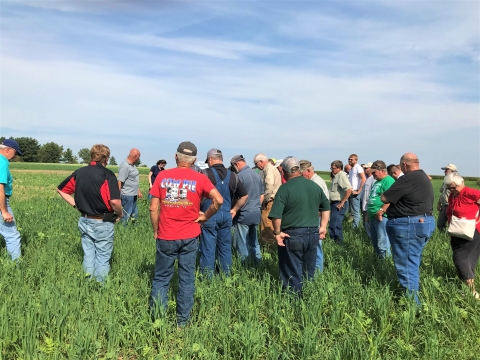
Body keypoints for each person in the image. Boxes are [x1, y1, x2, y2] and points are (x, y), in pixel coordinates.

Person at [149, 141, 223, 327]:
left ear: (176, 157)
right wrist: (205, 216)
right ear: (195, 160)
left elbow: (153, 207)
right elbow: (219, 200)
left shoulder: (163, 176)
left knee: (161, 278)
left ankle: (158, 318)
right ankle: (182, 322)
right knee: (187, 278)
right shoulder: (199, 178)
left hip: (166, 234)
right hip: (190, 235)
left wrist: (155, 230)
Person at [57, 144, 123, 282]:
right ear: (106, 158)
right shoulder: (108, 174)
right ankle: (100, 287)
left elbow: (61, 189)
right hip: (103, 221)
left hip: (84, 220)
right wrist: (120, 214)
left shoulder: (79, 172)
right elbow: (115, 202)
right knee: (103, 257)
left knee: (88, 255)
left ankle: (87, 284)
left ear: (92, 156)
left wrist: (76, 205)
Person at [269, 157, 330, 295]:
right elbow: (326, 207)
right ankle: (310, 296)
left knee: (291, 269)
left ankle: (293, 301)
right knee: (309, 269)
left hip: (292, 234)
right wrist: (323, 226)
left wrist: (277, 233)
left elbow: (276, 215)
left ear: (284, 172)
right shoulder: (314, 186)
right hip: (313, 233)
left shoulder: (285, 189)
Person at [381, 153, 435, 304]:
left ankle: (413, 306)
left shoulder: (407, 178)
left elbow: (385, 198)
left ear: (404, 165)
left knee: (406, 263)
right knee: (413, 260)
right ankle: (414, 293)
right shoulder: (423, 176)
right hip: (425, 221)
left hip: (409, 224)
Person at [200, 149, 248, 277]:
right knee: (225, 248)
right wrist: (234, 210)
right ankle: (226, 277)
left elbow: (197, 194)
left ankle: (207, 278)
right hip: (226, 215)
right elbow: (244, 196)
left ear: (210, 159)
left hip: (209, 215)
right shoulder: (233, 176)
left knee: (208, 249)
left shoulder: (205, 173)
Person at [444, 173, 480, 300]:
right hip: (457, 232)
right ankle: (468, 287)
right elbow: (450, 211)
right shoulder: (453, 196)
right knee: (468, 260)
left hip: (472, 231)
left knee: (460, 259)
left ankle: (472, 292)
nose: (452, 190)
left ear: (462, 183)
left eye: (454, 187)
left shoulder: (470, 193)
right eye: (449, 188)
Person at [230, 155, 264, 265]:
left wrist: (234, 209)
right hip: (256, 212)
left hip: (243, 214)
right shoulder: (257, 174)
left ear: (236, 164)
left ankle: (245, 266)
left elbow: (237, 197)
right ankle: (258, 263)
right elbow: (262, 195)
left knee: (242, 242)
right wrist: (256, 206)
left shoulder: (239, 176)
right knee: (254, 241)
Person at [300, 160, 329, 272]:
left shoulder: (316, 182)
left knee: (315, 246)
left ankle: (317, 272)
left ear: (308, 170)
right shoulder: (313, 181)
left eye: (302, 174)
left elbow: (322, 205)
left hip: (316, 218)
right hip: (314, 217)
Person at [0, 140, 23, 261]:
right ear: (7, 149)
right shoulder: (2, 161)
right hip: (1, 202)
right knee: (12, 235)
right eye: (15, 153)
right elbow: (0, 188)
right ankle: (17, 266)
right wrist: (4, 211)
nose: (14, 157)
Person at [367, 161, 394, 259]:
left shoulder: (388, 180)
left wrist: (381, 211)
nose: (373, 174)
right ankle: (378, 262)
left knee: (382, 243)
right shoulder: (377, 181)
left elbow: (391, 198)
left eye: (374, 172)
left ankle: (385, 264)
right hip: (372, 215)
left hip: (381, 217)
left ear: (381, 170)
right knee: (375, 242)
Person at [253, 153, 282, 245]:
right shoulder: (271, 168)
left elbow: (269, 185)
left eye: (256, 164)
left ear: (261, 162)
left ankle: (268, 245)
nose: (256, 166)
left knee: (266, 224)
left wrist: (265, 199)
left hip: (270, 200)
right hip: (274, 199)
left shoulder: (269, 169)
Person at [328, 160, 352, 244]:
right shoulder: (336, 176)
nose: (332, 169)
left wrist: (342, 202)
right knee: (333, 223)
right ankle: (334, 242)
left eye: (333, 168)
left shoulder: (341, 176)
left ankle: (338, 242)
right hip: (334, 203)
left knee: (335, 224)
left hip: (339, 203)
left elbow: (349, 189)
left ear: (339, 168)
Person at [118, 149, 143, 224]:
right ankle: (124, 228)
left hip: (133, 193)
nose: (139, 159)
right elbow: (120, 181)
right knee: (126, 214)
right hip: (127, 194)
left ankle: (134, 228)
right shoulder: (125, 165)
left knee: (134, 213)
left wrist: (138, 191)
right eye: (138, 157)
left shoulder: (132, 165)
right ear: (135, 156)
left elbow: (133, 179)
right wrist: (118, 196)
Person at [347, 154, 366, 228]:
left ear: (356, 160)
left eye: (351, 159)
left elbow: (363, 179)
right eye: (349, 159)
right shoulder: (352, 169)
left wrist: (358, 190)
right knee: (352, 211)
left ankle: (355, 228)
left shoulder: (358, 167)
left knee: (355, 211)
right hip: (352, 191)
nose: (349, 160)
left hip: (355, 192)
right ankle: (354, 226)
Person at [437, 164, 458, 231]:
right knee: (440, 224)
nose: (444, 172)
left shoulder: (457, 181)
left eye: (446, 170)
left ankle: (450, 239)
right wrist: (439, 203)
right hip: (444, 206)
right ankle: (442, 239)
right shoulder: (446, 181)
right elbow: (443, 193)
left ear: (453, 171)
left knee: (452, 225)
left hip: (452, 206)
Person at [360, 163, 374, 239]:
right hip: (364, 205)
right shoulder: (367, 179)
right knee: (365, 223)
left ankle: (371, 239)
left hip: (369, 205)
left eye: (366, 168)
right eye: (364, 168)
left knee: (368, 223)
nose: (364, 170)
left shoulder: (373, 179)